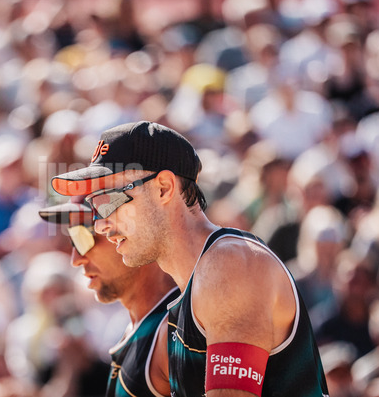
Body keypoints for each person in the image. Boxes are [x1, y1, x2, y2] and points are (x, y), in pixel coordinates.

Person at [52, 121, 328, 396]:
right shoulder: (191, 292)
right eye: (95, 206)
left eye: (108, 201)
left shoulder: (229, 264)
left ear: (163, 188)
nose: (100, 224)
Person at [38, 199, 179, 397]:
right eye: (73, 239)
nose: (76, 259)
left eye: (84, 236)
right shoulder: (144, 326)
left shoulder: (182, 326)